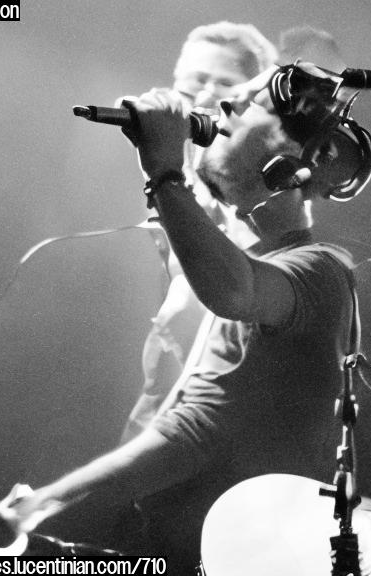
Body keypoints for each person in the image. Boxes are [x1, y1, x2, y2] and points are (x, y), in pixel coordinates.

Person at [0, 71, 357, 572]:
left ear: (289, 159)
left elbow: (233, 288)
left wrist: (165, 172)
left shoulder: (321, 273)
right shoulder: (257, 269)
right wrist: (36, 508)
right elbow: (193, 431)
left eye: (250, 103)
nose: (225, 105)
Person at [121, 21, 278, 444]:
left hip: (214, 431)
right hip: (159, 414)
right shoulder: (166, 180)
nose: (207, 94)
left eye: (225, 83)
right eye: (195, 81)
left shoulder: (256, 194)